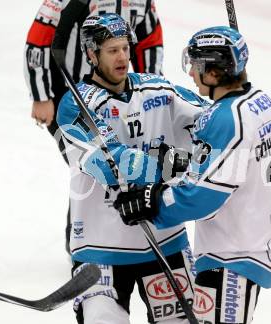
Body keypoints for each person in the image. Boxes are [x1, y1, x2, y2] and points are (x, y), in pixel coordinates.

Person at [113, 26, 271, 323]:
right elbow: (230, 165)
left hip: (233, 254)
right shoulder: (261, 103)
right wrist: (174, 161)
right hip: (255, 240)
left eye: (196, 66)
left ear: (215, 71)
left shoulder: (225, 118)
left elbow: (201, 197)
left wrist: (151, 203)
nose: (191, 74)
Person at [56, 13, 209, 324]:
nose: (123, 57)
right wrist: (168, 166)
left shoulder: (158, 90)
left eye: (125, 47)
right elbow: (111, 163)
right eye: (112, 50)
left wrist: (236, 104)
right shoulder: (75, 105)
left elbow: (213, 122)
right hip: (100, 248)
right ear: (91, 54)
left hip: (164, 238)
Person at [23, 0, 165, 252]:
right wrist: (41, 95)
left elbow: (149, 40)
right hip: (69, 101)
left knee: (123, 162)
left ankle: (122, 239)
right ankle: (84, 239)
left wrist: (150, 90)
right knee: (92, 165)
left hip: (119, 98)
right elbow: (39, 38)